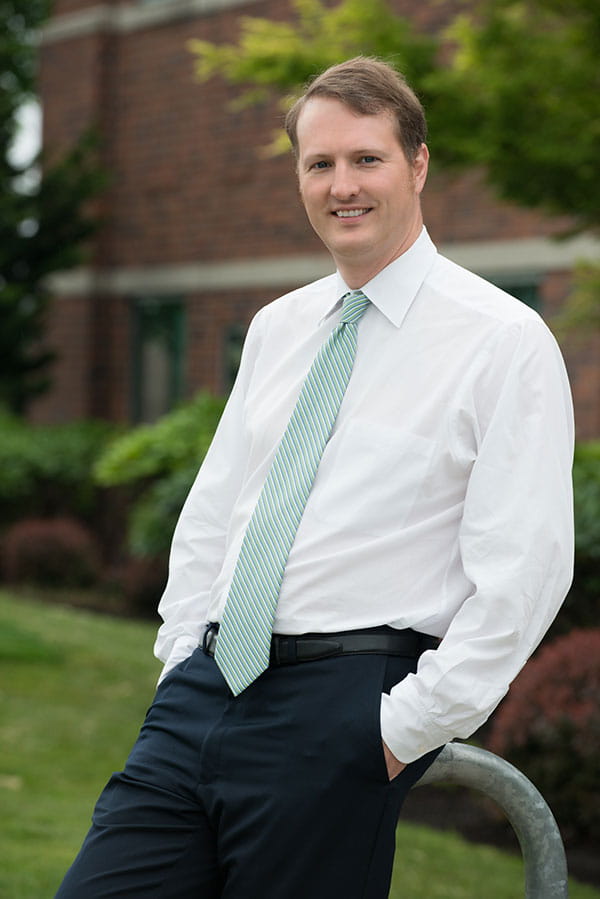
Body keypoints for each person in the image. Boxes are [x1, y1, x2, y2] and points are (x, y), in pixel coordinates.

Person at [55, 56, 574, 899]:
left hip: (345, 708)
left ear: (418, 164)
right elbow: (217, 510)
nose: (342, 186)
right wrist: (180, 657)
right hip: (202, 692)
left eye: (367, 158)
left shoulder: (502, 341)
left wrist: (399, 731)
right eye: (319, 163)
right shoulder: (278, 326)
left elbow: (526, 571)